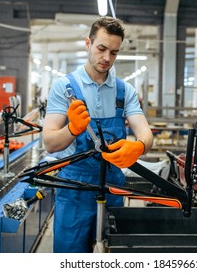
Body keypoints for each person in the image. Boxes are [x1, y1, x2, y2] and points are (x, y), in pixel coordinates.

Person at [42, 16, 154, 253]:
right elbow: (50, 143)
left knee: (113, 251)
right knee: (69, 255)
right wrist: (71, 129)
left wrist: (140, 146)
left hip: (112, 185)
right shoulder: (65, 88)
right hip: (75, 188)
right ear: (88, 43)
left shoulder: (124, 91)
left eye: (114, 52)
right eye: (101, 49)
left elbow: (145, 133)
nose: (107, 58)